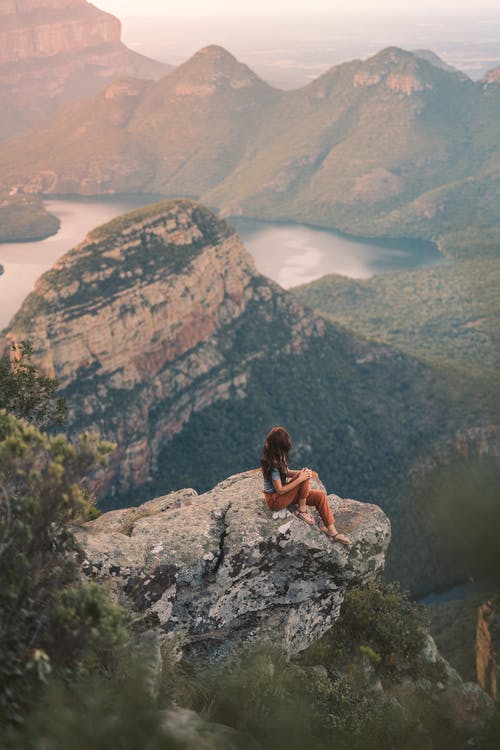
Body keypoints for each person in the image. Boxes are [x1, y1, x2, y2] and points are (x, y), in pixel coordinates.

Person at [261, 426, 351, 546]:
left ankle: (334, 533)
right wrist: (301, 478)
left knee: (320, 496)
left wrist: (303, 473)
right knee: (303, 478)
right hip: (275, 500)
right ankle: (302, 510)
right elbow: (280, 490)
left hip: (284, 496)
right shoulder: (272, 465)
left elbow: (286, 473)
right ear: (278, 447)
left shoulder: (279, 457)